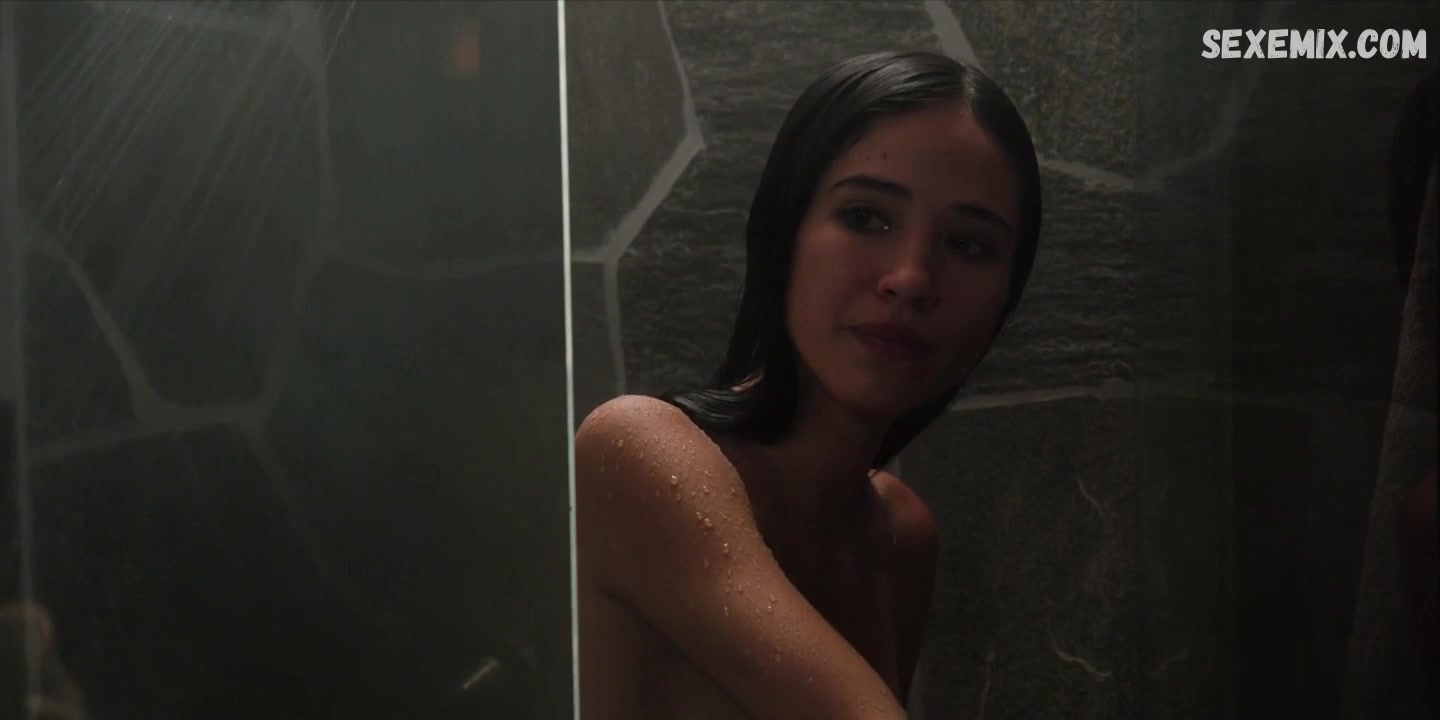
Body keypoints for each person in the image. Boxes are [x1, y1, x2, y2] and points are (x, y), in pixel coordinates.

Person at [575, 50, 1042, 720]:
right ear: (785, 230)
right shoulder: (641, 450)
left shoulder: (901, 534)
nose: (912, 278)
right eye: (867, 217)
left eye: (968, 245)